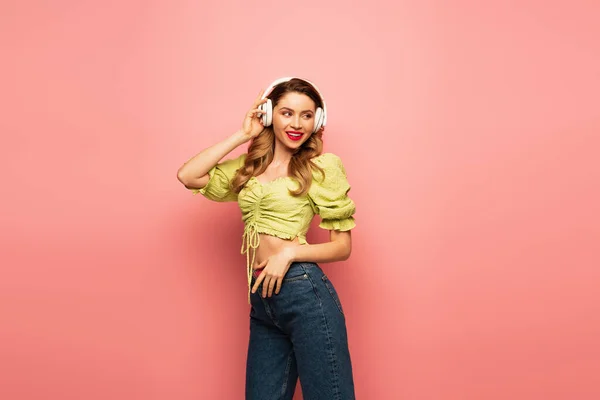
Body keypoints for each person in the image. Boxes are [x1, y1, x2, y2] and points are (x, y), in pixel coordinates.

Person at [177, 77, 357, 400]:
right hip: (263, 301)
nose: (296, 124)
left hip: (306, 295)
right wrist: (243, 135)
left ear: (317, 121)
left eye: (306, 115)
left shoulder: (321, 168)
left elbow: (343, 247)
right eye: (287, 113)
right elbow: (188, 175)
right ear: (269, 113)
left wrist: (288, 253)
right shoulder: (249, 168)